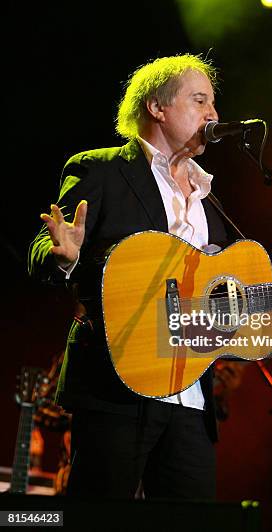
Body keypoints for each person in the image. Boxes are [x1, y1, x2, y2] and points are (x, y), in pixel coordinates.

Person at [28, 54, 237, 501]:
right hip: (116, 387)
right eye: (199, 100)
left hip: (190, 400)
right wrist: (62, 254)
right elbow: (43, 249)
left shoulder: (209, 199)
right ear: (157, 107)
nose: (214, 115)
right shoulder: (101, 169)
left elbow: (227, 291)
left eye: (213, 104)